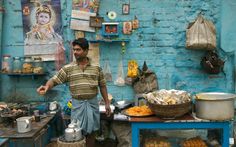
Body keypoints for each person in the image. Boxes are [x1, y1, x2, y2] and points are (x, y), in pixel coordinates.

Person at [37, 38, 111, 147]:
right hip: (77, 106)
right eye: (74, 49)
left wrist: (107, 103)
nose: (75, 52)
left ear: (86, 51)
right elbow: (54, 80)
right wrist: (47, 86)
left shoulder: (96, 68)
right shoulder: (68, 68)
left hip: (92, 104)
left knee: (92, 132)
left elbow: (103, 86)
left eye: (78, 49)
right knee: (77, 133)